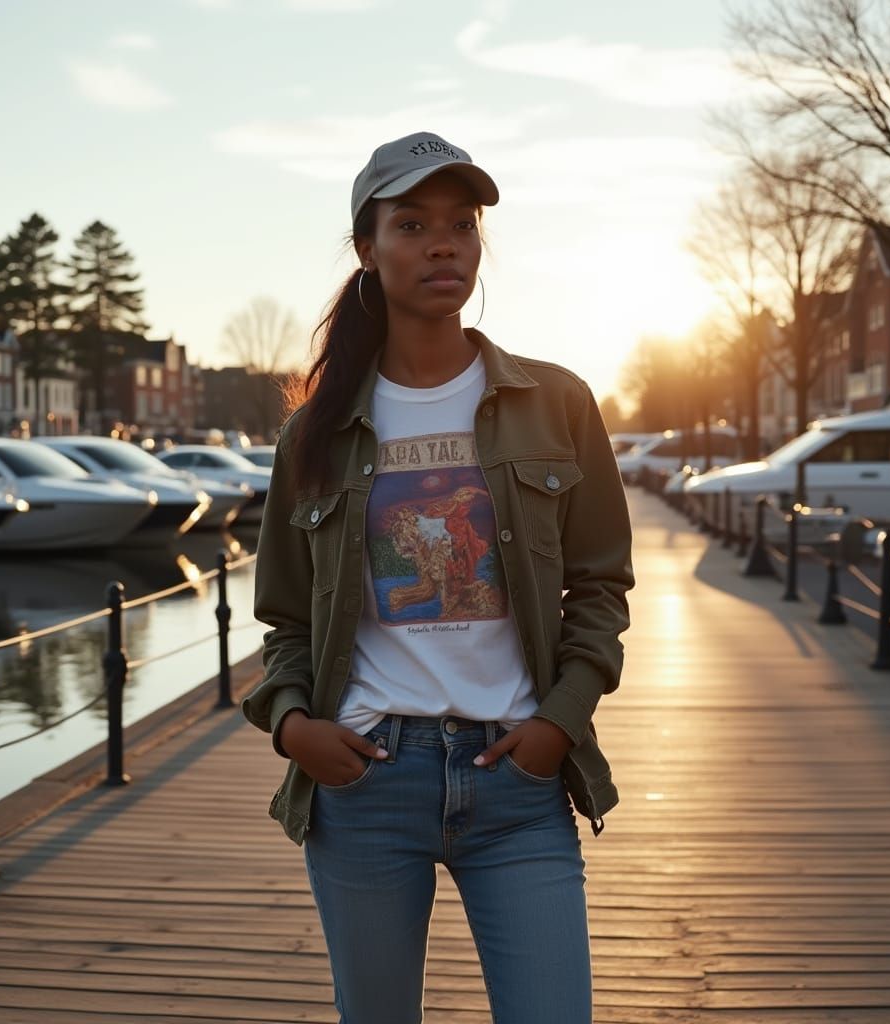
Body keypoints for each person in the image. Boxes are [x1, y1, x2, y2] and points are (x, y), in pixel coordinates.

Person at [244, 131, 634, 1024]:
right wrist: (293, 724)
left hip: (520, 779)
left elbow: (601, 586)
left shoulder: (557, 402)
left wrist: (558, 723)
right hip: (369, 780)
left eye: (462, 223)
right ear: (367, 247)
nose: (444, 243)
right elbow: (284, 621)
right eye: (412, 224)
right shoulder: (315, 433)